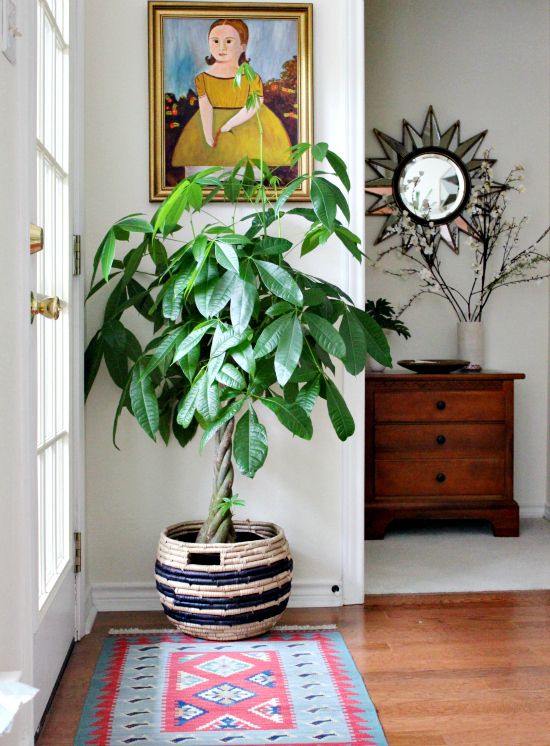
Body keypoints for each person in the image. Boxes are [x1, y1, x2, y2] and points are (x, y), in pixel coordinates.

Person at [172, 18, 292, 168]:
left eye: (229, 41)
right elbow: (205, 106)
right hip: (211, 127)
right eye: (215, 41)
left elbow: (255, 104)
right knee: (205, 170)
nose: (221, 47)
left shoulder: (251, 78)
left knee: (251, 172)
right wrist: (209, 135)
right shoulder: (202, 78)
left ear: (242, 46)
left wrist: (228, 125)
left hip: (248, 125)